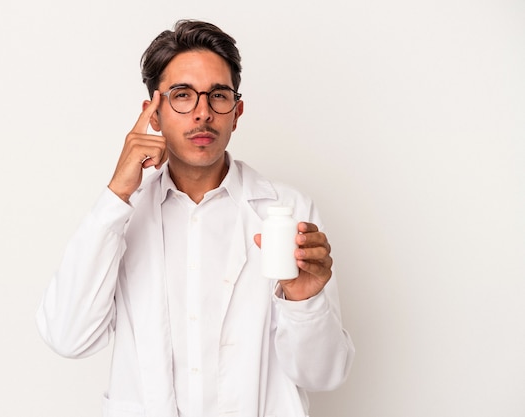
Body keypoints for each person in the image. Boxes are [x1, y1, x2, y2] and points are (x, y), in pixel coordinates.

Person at [36, 19, 354, 417]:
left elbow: (322, 375)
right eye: (183, 95)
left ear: (236, 113)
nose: (203, 113)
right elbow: (68, 337)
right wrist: (117, 193)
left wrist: (304, 300)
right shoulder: (122, 215)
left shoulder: (288, 213)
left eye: (218, 96)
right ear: (153, 113)